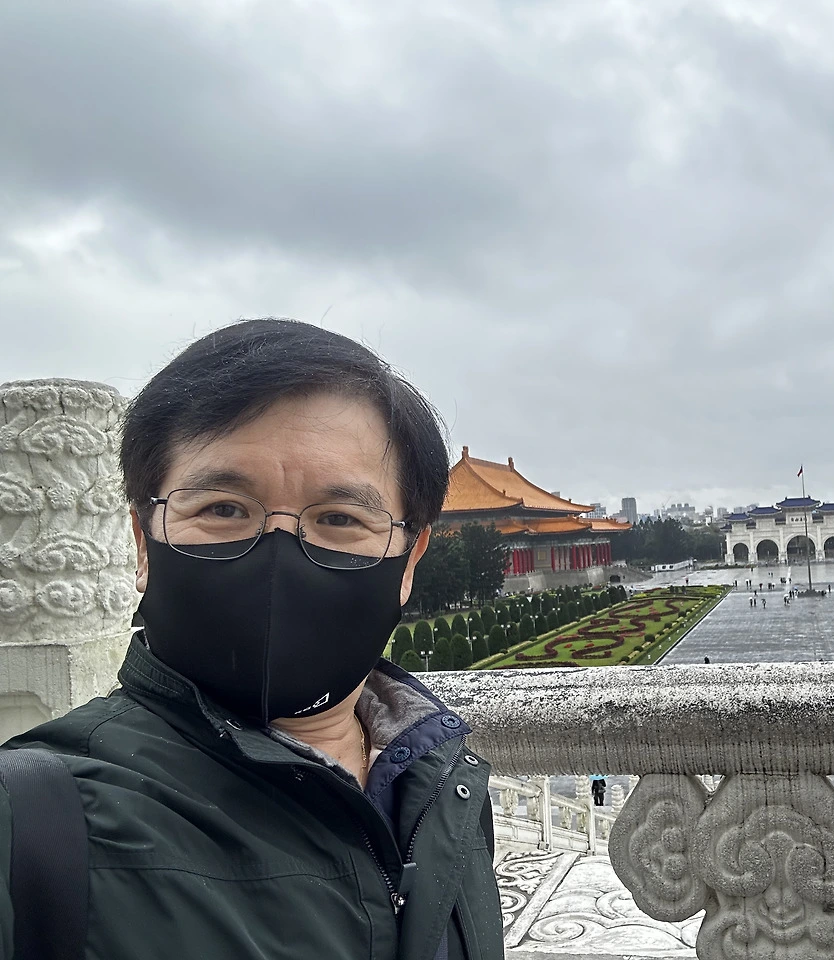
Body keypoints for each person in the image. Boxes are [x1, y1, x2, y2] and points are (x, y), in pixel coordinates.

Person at [0, 320, 503, 958]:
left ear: (408, 561)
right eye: (223, 509)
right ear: (142, 542)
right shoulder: (34, 819)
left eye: (340, 518)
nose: (277, 559)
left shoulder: (445, 794)